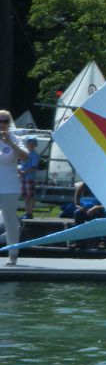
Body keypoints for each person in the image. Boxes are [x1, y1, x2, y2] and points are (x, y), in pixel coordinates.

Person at [0, 110, 29, 266]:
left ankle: (13, 254)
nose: (2, 124)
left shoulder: (15, 139)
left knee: (10, 220)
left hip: (9, 186)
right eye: (0, 121)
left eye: (5, 121)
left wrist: (10, 143)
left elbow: (25, 157)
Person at [18, 137, 39, 219]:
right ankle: (27, 213)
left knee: (30, 196)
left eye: (32, 143)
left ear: (35, 145)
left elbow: (34, 167)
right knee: (25, 197)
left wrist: (24, 172)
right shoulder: (24, 153)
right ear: (26, 144)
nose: (30, 145)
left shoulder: (35, 155)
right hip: (23, 177)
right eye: (29, 143)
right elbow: (21, 165)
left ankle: (30, 213)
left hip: (29, 178)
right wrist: (20, 171)